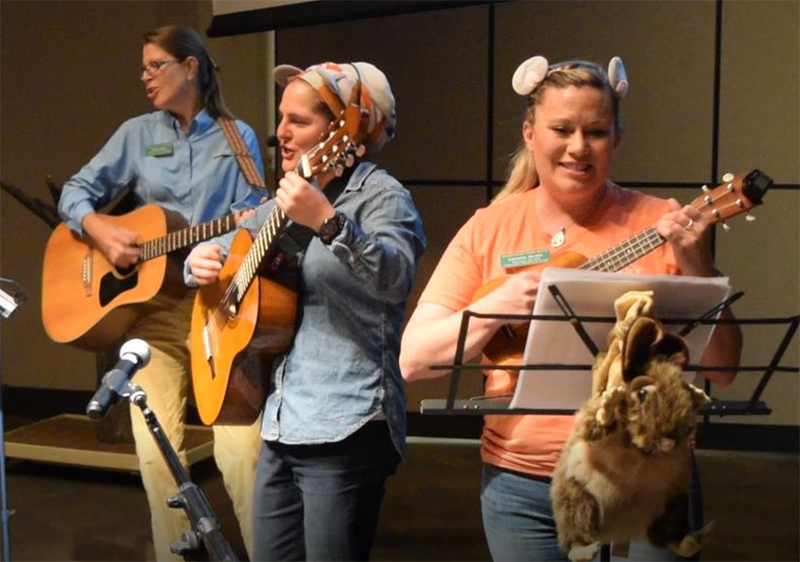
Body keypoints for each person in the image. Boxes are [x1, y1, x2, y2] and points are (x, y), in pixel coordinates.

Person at [399, 55, 742, 561]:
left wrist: (698, 267)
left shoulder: (663, 221)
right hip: (521, 485)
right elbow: (412, 359)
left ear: (616, 140)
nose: (579, 147)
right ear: (531, 133)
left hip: (645, 475)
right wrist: (495, 309)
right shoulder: (488, 228)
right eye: (562, 128)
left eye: (597, 132)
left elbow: (725, 369)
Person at [186, 61, 426, 561]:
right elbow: (232, 246)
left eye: (299, 121)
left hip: (348, 424)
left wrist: (328, 222)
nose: (282, 134)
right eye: (281, 118)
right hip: (281, 420)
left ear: (342, 131)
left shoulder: (383, 198)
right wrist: (197, 262)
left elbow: (396, 279)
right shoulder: (280, 204)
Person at [57, 25, 267, 561]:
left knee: (243, 455)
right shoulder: (136, 134)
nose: (145, 76)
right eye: (144, 67)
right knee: (156, 456)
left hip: (220, 306)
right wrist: (100, 229)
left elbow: (258, 220)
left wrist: (221, 246)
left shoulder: (237, 137)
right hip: (156, 312)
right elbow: (77, 192)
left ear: (190, 67)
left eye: (156, 65)